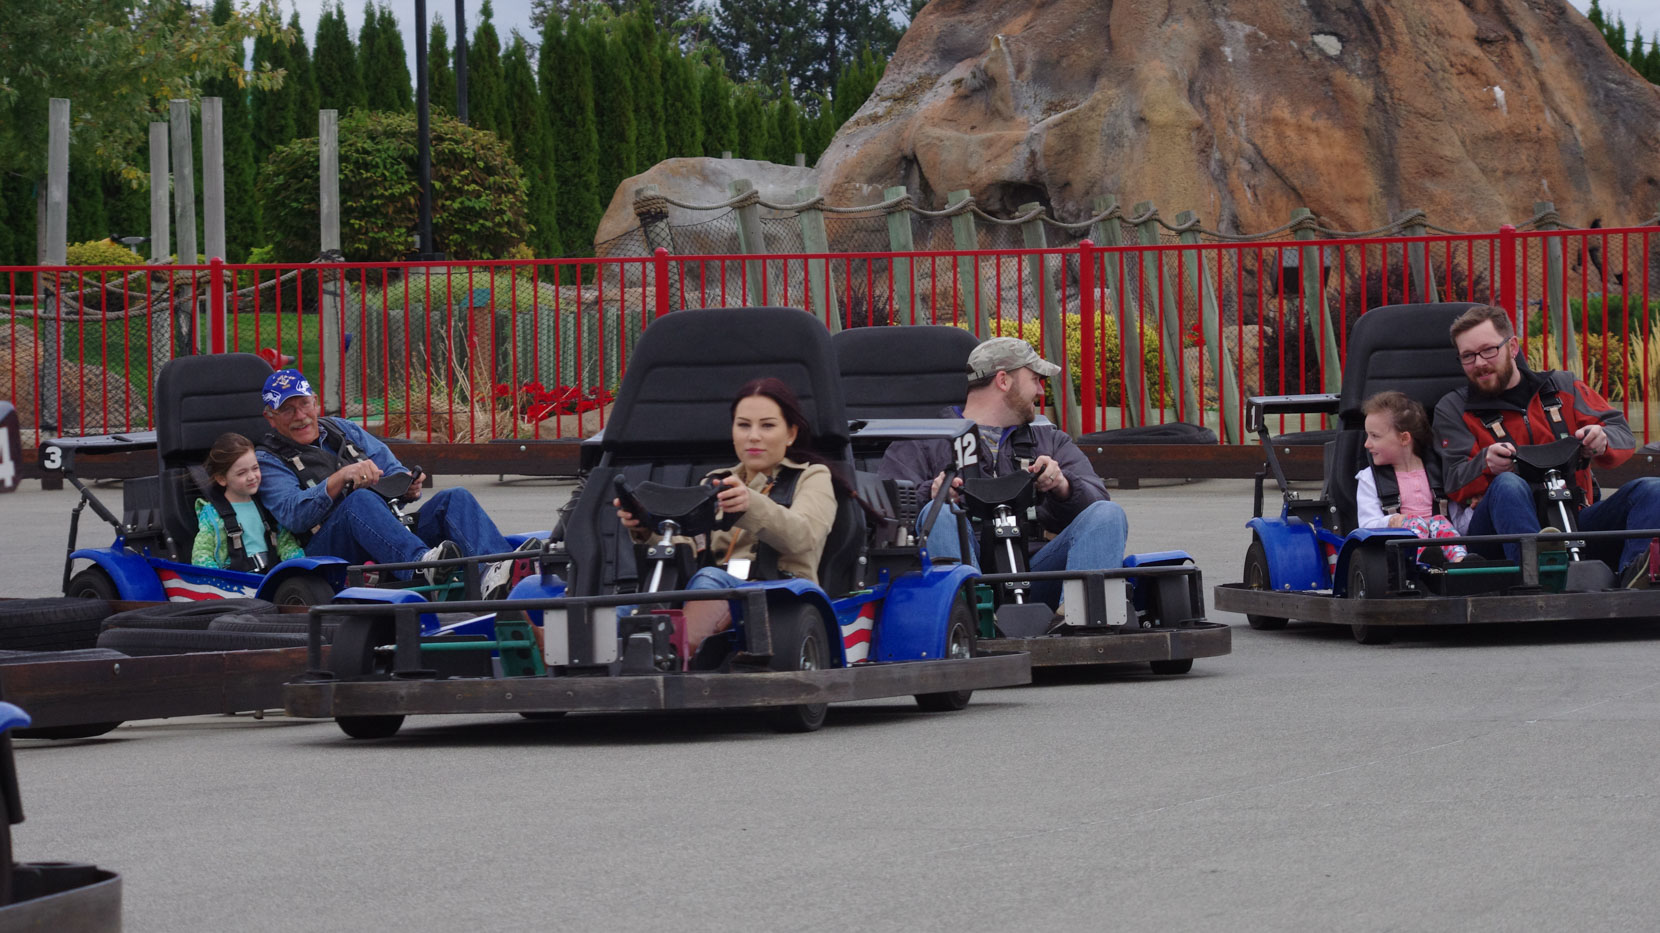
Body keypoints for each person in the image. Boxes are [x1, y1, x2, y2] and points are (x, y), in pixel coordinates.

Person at [877, 336, 1128, 611]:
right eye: (1035, 379)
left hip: (1037, 573)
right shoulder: (922, 441)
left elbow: (1099, 505)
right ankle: (970, 622)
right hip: (961, 579)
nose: (1041, 391)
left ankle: (1081, 627)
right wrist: (932, 494)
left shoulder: (1050, 440)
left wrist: (1063, 486)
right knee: (941, 514)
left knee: (1108, 514)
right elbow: (881, 511)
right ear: (1003, 381)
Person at [254, 369, 536, 596]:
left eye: (304, 404)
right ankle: (420, 565)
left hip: (384, 531)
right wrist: (340, 478)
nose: (301, 416)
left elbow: (393, 470)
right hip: (322, 551)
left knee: (455, 497)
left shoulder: (344, 429)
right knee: (359, 501)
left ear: (314, 401)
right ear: (270, 417)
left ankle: (497, 571)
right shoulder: (268, 458)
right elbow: (293, 515)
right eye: (288, 410)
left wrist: (408, 487)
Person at [1431, 304, 1660, 582]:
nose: (1479, 363)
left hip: (1574, 522)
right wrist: (1485, 463)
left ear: (1512, 347)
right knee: (1507, 484)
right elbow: (1453, 481)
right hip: (1498, 536)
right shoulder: (1454, 408)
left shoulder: (1562, 386)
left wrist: (1602, 440)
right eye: (1468, 356)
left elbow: (1620, 433)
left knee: (1651, 490)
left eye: (1488, 350)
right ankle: (1542, 582)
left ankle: (1632, 578)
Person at [614, 378, 838, 655]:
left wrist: (751, 505)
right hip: (708, 591)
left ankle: (674, 655)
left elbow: (803, 536)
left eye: (767, 425)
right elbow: (689, 542)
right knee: (631, 604)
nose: (753, 436)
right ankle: (569, 653)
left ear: (791, 433)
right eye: (743, 425)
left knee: (708, 578)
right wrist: (646, 527)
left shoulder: (812, 477)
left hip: (779, 589)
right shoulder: (717, 481)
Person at [1355, 392, 1466, 563]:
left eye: (1375, 436)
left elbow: (1458, 523)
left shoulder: (1438, 472)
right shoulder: (1370, 478)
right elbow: (1367, 525)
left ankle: (1461, 563)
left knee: (1439, 521)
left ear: (1404, 438)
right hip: (1398, 553)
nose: (1366, 444)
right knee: (1413, 524)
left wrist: (1474, 508)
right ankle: (1423, 560)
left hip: (1442, 544)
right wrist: (1392, 520)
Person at [191, 432, 305, 571]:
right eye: (241, 473)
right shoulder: (212, 515)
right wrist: (220, 581)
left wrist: (299, 567)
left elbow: (286, 545)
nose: (252, 477)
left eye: (255, 468)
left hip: (271, 579)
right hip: (235, 585)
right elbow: (201, 556)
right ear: (222, 479)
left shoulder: (267, 505)